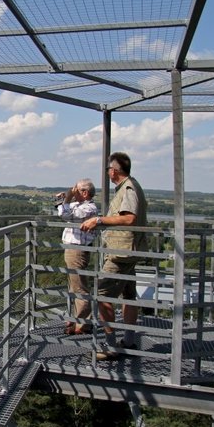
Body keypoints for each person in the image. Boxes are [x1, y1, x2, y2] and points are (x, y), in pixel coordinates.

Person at [80, 152, 148, 360]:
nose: (107, 172)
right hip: (128, 250)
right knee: (128, 296)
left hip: (121, 252)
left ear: (114, 170)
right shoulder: (131, 186)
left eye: (108, 169)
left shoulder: (128, 188)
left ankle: (111, 347)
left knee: (102, 294)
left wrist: (98, 220)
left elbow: (129, 219)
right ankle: (129, 341)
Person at [55, 179, 98, 335]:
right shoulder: (79, 205)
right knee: (75, 285)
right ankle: (79, 321)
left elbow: (65, 215)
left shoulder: (89, 208)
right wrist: (65, 199)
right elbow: (62, 212)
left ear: (85, 193)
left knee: (79, 286)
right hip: (73, 250)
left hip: (77, 250)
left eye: (77, 190)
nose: (73, 191)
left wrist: (66, 198)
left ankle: (82, 323)